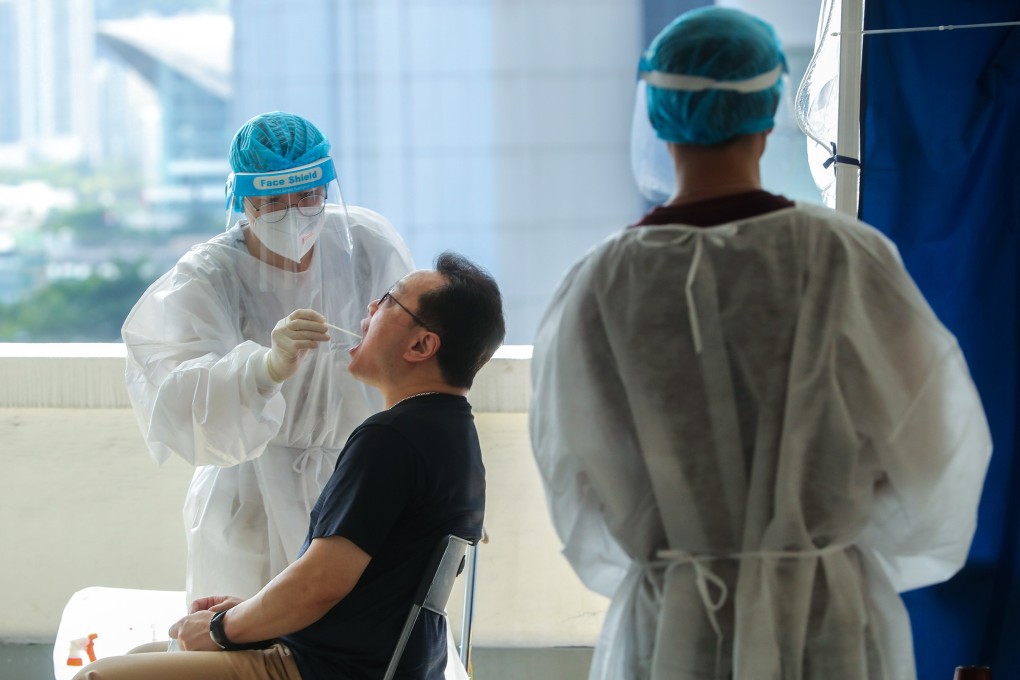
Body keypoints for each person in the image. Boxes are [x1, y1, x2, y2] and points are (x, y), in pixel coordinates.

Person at [529, 7, 992, 680]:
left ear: (658, 114)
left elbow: (576, 479)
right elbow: (931, 456)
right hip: (825, 623)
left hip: (673, 630)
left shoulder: (602, 284)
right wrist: (820, 540)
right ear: (770, 109)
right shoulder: (845, 260)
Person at [77, 252, 506, 680]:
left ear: (421, 345)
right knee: (149, 651)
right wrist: (245, 614)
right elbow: (364, 588)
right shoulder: (452, 433)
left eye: (390, 302)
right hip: (382, 662)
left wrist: (221, 629)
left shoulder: (391, 439)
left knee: (96, 677)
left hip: (326, 668)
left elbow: (320, 585)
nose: (370, 309)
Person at [122, 110, 414, 604]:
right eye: (273, 200)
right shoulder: (207, 276)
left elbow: (416, 361)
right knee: (243, 648)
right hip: (248, 497)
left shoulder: (364, 244)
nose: (294, 213)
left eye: (307, 196)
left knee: (351, 647)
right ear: (243, 201)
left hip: (357, 483)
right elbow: (179, 396)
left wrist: (434, 481)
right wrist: (263, 369)